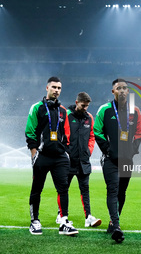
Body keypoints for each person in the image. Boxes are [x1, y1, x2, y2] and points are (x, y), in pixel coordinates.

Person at [25, 76, 78, 235]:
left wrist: (66, 152)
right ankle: (34, 221)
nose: (56, 90)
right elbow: (30, 130)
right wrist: (34, 153)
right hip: (42, 155)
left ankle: (64, 222)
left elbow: (67, 134)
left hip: (60, 157)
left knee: (63, 189)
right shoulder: (37, 108)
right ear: (46, 88)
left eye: (59, 88)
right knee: (37, 189)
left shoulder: (63, 111)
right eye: (54, 87)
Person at [93, 79, 141, 243]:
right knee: (113, 190)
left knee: (122, 193)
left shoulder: (135, 111)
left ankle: (112, 222)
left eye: (125, 88)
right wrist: (108, 150)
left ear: (128, 92)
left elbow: (140, 132)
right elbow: (97, 131)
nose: (122, 90)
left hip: (127, 159)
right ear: (113, 91)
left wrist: (132, 150)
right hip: (110, 160)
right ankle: (116, 226)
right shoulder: (105, 110)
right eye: (118, 88)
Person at [55, 92, 102, 227]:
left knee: (85, 189)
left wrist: (89, 151)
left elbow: (92, 136)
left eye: (87, 106)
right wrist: (65, 152)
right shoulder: (67, 116)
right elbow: (60, 134)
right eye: (83, 105)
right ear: (77, 103)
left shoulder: (89, 118)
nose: (85, 108)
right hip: (68, 161)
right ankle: (61, 215)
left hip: (83, 162)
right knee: (64, 189)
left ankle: (88, 217)